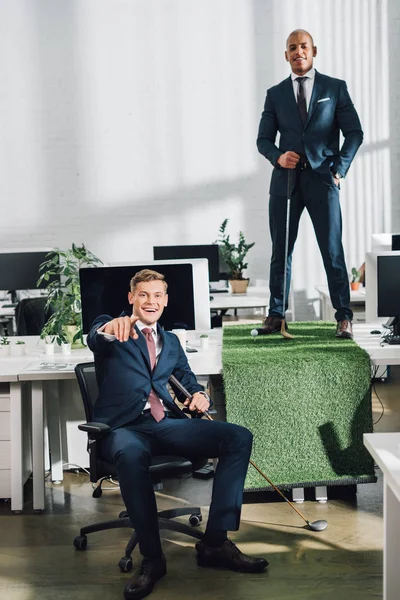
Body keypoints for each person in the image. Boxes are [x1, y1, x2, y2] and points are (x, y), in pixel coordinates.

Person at [87, 269, 268, 600]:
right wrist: (109, 326)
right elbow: (96, 335)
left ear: (166, 300)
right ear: (131, 298)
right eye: (143, 295)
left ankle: (215, 543)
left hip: (166, 424)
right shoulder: (115, 329)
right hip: (124, 427)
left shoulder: (170, 341)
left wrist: (199, 396)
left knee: (238, 437)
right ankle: (153, 560)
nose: (151, 301)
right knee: (130, 455)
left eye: (157, 295)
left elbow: (186, 379)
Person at [257, 29, 363, 339]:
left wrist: (339, 169)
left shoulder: (335, 88)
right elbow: (263, 139)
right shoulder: (275, 94)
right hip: (285, 182)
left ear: (313, 50)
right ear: (286, 55)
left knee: (332, 251)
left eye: (303, 46)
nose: (298, 52)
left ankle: (344, 317)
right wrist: (278, 156)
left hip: (322, 179)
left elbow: (354, 133)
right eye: (292, 48)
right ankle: (276, 315)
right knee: (281, 251)